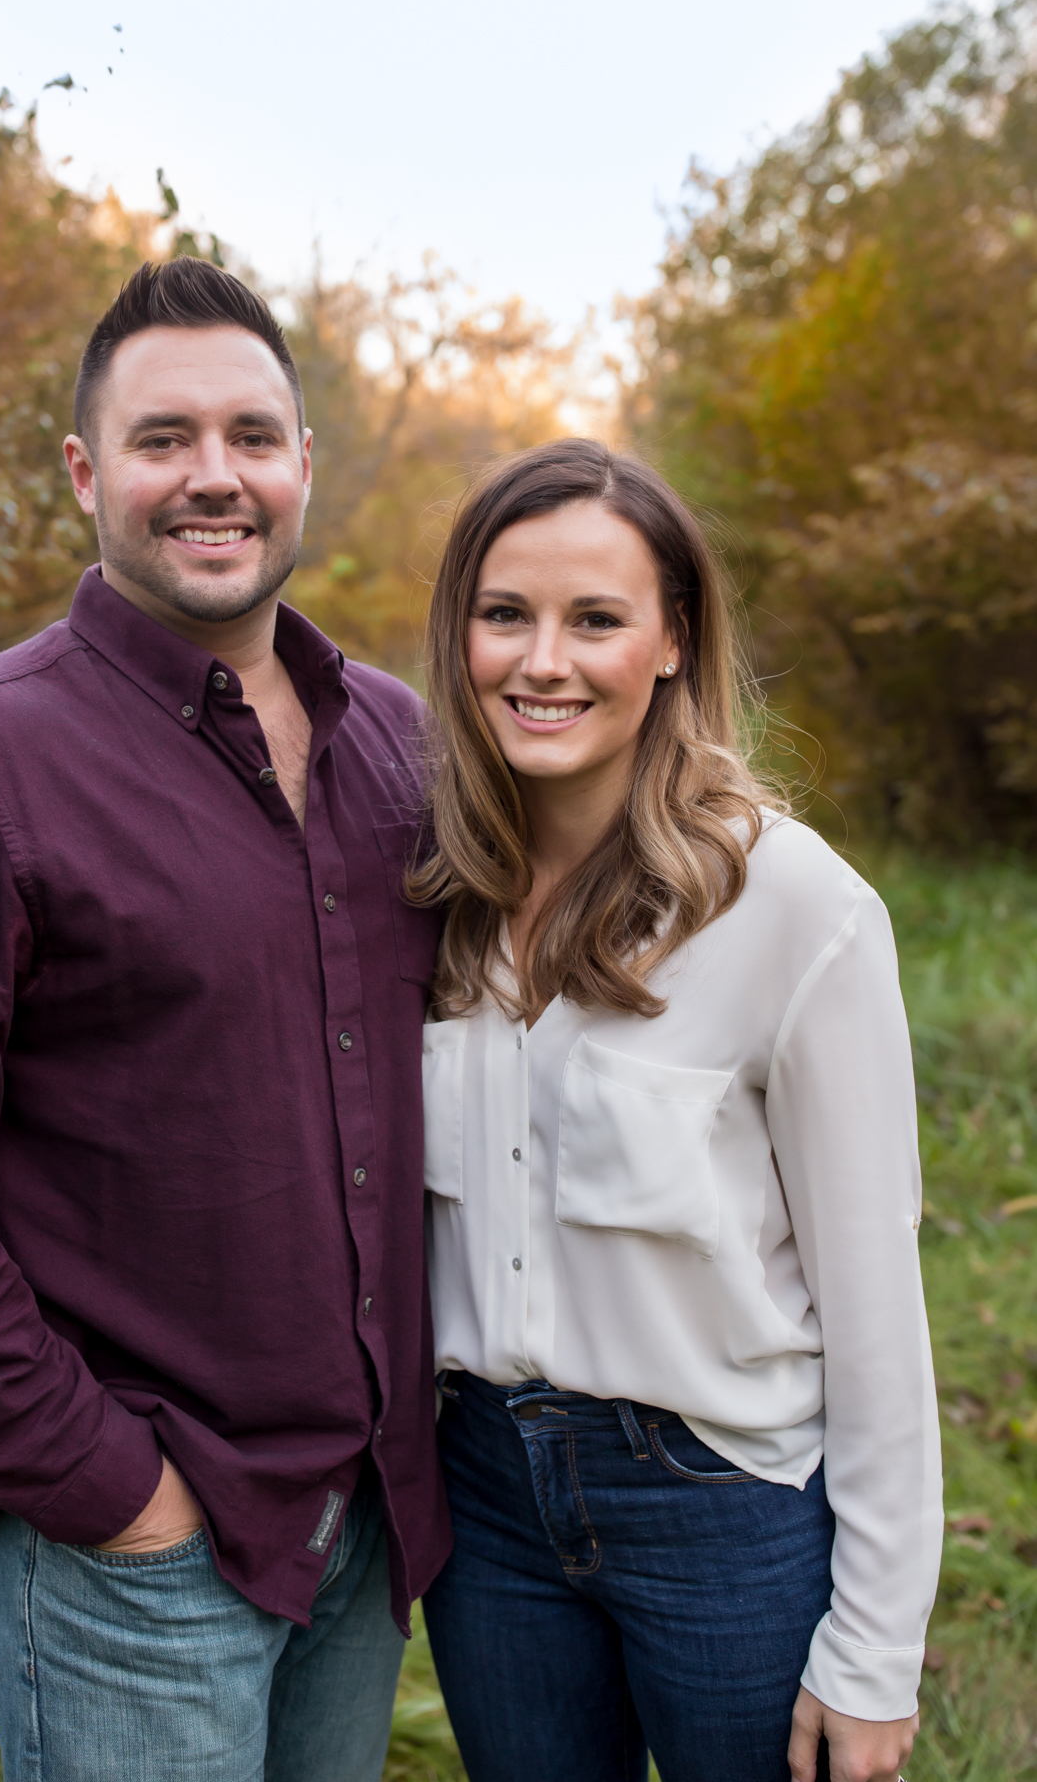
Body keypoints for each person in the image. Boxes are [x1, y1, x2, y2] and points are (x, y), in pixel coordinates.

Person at [0, 258, 451, 1782]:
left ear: (300, 467)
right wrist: (110, 1489)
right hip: (140, 1560)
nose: (212, 477)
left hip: (364, 1531)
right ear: (87, 473)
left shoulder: (401, 749)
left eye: (251, 437)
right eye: (163, 440)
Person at [408, 438, 942, 1782]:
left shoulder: (794, 908)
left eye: (595, 619)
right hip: (483, 1498)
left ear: (669, 642)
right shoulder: (427, 896)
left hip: (719, 1501)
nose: (543, 661)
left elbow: (876, 1304)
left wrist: (874, 1652)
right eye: (503, 615)